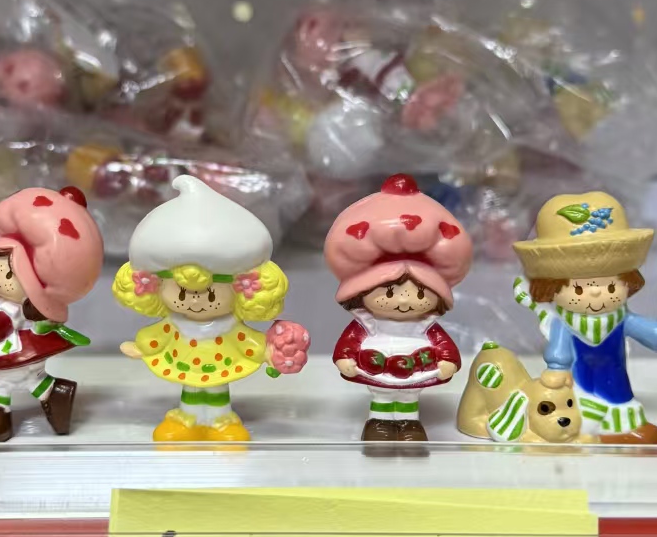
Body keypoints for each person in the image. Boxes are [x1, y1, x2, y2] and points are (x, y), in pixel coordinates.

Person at [113, 175, 307, 442]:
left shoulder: (229, 326)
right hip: (184, 359)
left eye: (211, 293)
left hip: (222, 361)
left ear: (242, 290)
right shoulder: (176, 323)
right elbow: (159, 335)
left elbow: (247, 342)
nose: (194, 301)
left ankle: (220, 420)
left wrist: (269, 353)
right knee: (191, 388)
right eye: (182, 293)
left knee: (216, 390)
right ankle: (187, 418)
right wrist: (143, 347)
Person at [512, 191, 657, 444]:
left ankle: (621, 428)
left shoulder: (619, 318)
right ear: (551, 289)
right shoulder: (564, 322)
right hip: (578, 381)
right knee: (579, 406)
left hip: (614, 376)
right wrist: (557, 369)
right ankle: (588, 430)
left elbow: (642, 327)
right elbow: (559, 348)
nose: (596, 293)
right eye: (578, 289)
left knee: (619, 400)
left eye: (611, 286)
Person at [324, 173, 473, 442]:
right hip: (375, 363)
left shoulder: (424, 326)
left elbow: (443, 344)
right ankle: (379, 422)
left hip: (416, 366)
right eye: (390, 292)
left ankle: (409, 424)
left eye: (419, 293)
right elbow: (350, 340)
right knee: (381, 395)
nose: (404, 301)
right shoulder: (367, 323)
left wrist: (448, 360)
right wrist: (345, 357)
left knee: (408, 396)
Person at [0, 186, 103, 442]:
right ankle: (54, 392)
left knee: (2, 381)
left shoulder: (12, 308)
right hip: (6, 349)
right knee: (26, 379)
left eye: (6, 271)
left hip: (8, 349)